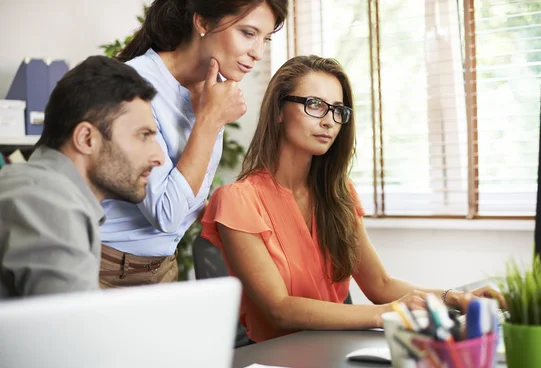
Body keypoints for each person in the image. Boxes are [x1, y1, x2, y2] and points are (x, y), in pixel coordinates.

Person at [200, 55, 504, 343]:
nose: (329, 121)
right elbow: (279, 309)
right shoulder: (238, 200)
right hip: (277, 362)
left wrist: (456, 298)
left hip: (339, 352)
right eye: (315, 105)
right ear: (279, 111)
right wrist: (387, 313)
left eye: (337, 110)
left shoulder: (338, 193)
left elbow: (381, 285)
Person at [99, 0, 289, 288]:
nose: (258, 53)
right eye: (248, 33)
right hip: (105, 273)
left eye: (266, 39)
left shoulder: (213, 88)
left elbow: (191, 198)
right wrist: (210, 121)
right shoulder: (129, 86)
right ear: (203, 23)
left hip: (164, 269)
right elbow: (166, 214)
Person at [0, 56, 164, 298]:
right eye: (143, 135)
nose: (159, 156)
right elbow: (72, 333)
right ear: (87, 138)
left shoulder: (31, 185)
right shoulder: (51, 206)